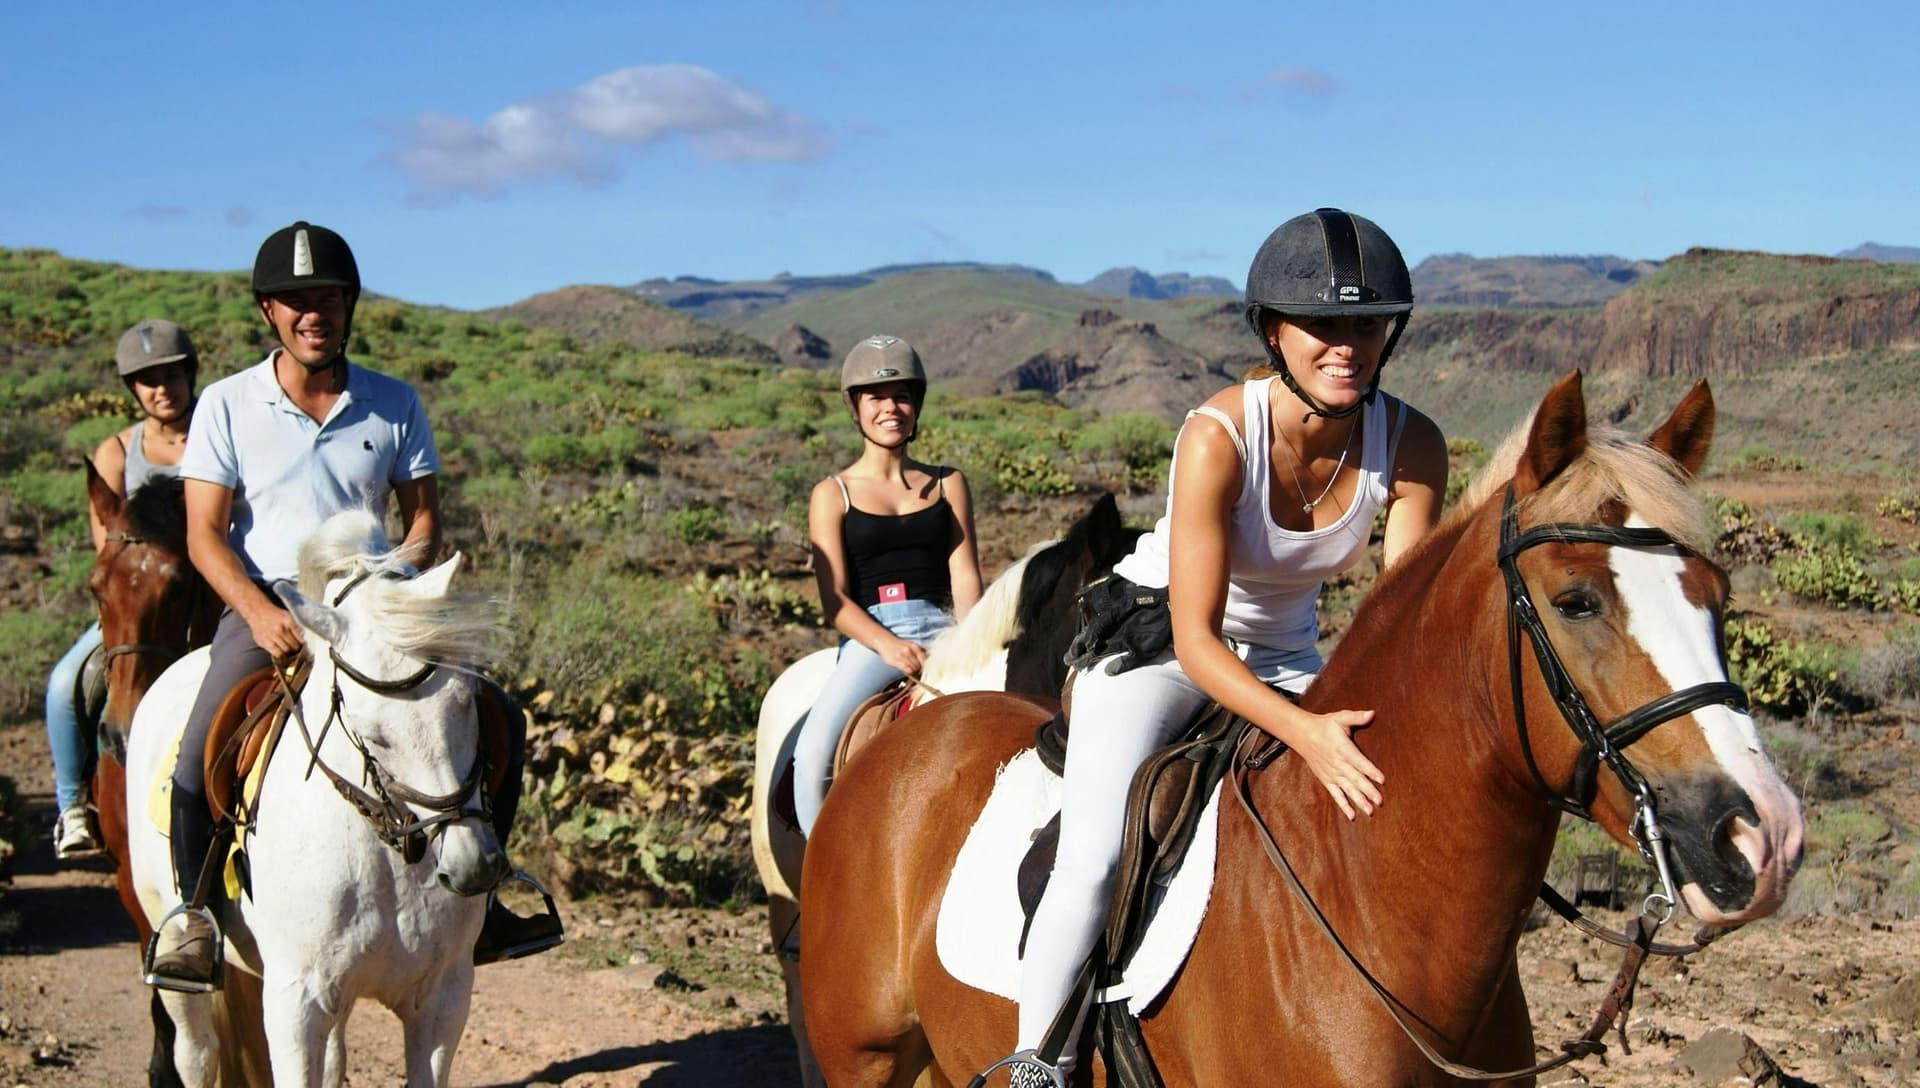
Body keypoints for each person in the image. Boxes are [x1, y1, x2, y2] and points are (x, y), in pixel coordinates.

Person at [986, 209, 1449, 1086]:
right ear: (1273, 332)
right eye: (1322, 325)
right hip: (1162, 641)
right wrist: (1308, 732)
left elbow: (1402, 619)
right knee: (1095, 856)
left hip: (1287, 649)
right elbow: (1199, 642)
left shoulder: (1411, 442)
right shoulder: (1216, 436)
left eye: (1365, 324)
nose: (1346, 345)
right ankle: (1034, 1068)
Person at [146, 221, 560, 990]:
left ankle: (487, 897)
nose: (315, 314)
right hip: (268, 603)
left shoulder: (393, 402)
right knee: (202, 735)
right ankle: (193, 915)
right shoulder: (228, 405)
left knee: (497, 714)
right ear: (268, 312)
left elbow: (425, 519)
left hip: (376, 607)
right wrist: (261, 613)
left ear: (349, 307)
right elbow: (205, 537)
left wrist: (393, 587)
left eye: (329, 299)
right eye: (296, 302)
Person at [790, 335, 984, 836]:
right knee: (811, 756)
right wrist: (890, 647)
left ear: (916, 404)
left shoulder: (948, 483)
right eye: (877, 398)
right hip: (873, 637)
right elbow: (834, 601)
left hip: (946, 630)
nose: (891, 408)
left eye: (901, 396)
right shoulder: (831, 494)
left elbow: (965, 578)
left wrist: (978, 645)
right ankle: (820, 882)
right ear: (856, 408)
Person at [45, 319, 197, 860]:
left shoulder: (219, 432)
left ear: (189, 375)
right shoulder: (116, 452)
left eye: (172, 376)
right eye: (148, 380)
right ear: (132, 389)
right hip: (138, 604)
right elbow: (107, 551)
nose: (162, 389)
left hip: (208, 594)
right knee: (66, 682)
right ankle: (72, 808)